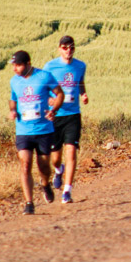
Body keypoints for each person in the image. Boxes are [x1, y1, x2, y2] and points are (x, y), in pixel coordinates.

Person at [8, 50, 64, 215]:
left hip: (44, 130)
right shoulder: (14, 81)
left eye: (18, 65)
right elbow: (13, 99)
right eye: (13, 66)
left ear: (28, 64)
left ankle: (45, 184)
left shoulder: (44, 77)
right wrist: (12, 110)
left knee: (43, 166)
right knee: (25, 164)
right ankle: (29, 203)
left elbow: (59, 94)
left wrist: (54, 110)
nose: (15, 69)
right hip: (23, 130)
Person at [43, 35, 87, 204]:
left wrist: (83, 94)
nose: (68, 51)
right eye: (64, 47)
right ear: (59, 48)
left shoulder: (80, 65)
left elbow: (80, 82)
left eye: (71, 47)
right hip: (56, 116)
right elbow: (43, 88)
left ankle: (67, 191)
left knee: (71, 151)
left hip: (73, 115)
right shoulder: (50, 66)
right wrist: (49, 101)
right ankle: (58, 170)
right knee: (55, 156)